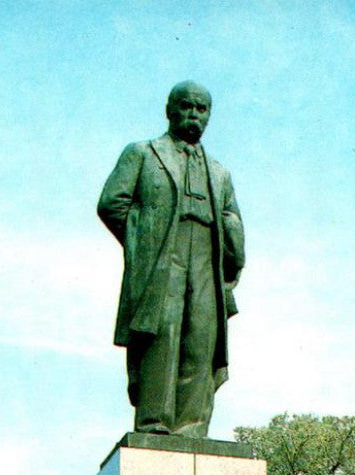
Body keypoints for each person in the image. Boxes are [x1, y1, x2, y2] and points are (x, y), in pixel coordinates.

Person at [97, 81, 245, 438]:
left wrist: (230, 233)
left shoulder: (220, 172)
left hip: (207, 257)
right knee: (162, 333)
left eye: (202, 108)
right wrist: (146, 242)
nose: (194, 114)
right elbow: (111, 203)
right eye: (186, 106)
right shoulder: (143, 153)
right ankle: (155, 421)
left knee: (201, 337)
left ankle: (193, 429)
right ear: (170, 109)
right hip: (164, 255)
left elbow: (231, 214)